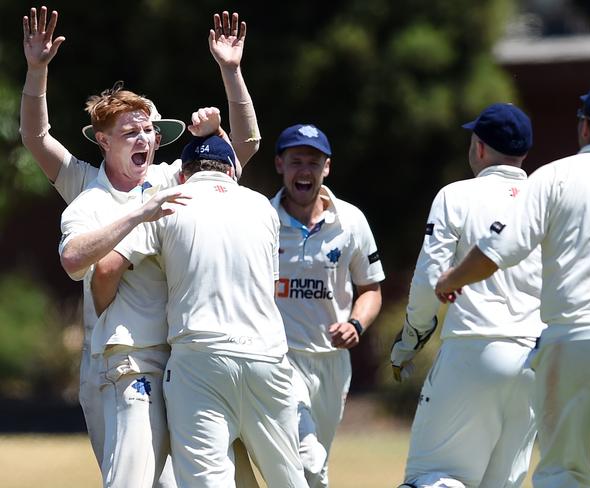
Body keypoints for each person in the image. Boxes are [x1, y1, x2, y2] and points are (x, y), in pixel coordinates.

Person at [21, 6, 260, 487]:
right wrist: (37, 71)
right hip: (116, 358)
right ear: (103, 142)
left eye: (149, 130)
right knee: (131, 479)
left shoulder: (169, 177)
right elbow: (35, 137)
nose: (144, 139)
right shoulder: (85, 187)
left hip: (181, 355)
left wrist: (231, 73)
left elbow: (246, 145)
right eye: (130, 132)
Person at [435, 79, 590, 488]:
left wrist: (451, 279)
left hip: (575, 340)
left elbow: (500, 250)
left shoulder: (556, 176)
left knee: (562, 471)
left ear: (585, 126)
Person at [105, 134, 309, 487]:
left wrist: (99, 311)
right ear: (230, 171)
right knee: (289, 480)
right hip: (268, 357)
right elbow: (271, 287)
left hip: (199, 359)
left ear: (183, 174)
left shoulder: (168, 201)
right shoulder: (262, 206)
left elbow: (108, 268)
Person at [391, 103, 544, 488]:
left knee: (432, 478)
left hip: (473, 350)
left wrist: (409, 340)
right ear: (523, 153)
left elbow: (430, 280)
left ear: (478, 147)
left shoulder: (456, 195)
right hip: (536, 361)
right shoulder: (546, 200)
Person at [270, 124, 385, 487]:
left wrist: (356, 325)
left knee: (315, 457)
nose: (305, 171)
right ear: (279, 165)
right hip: (280, 358)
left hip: (333, 363)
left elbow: (371, 289)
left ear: (327, 168)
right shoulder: (263, 220)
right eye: (296, 161)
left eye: (313, 163)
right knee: (308, 458)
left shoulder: (351, 221)